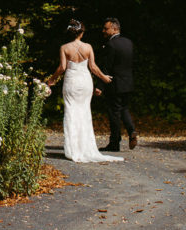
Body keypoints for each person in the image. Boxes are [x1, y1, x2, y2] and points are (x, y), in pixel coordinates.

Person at [47, 20, 123, 163]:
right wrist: (104, 78)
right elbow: (93, 67)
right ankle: (85, 147)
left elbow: (62, 67)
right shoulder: (88, 47)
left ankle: (73, 148)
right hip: (85, 81)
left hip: (71, 81)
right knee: (84, 112)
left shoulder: (64, 47)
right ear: (81, 33)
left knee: (71, 112)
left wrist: (51, 80)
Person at [97, 17, 137, 151]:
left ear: (114, 29)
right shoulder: (128, 42)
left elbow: (106, 67)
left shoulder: (111, 45)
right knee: (124, 108)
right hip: (128, 82)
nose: (103, 31)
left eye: (106, 28)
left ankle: (114, 143)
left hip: (115, 84)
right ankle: (131, 131)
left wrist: (100, 86)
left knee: (114, 113)